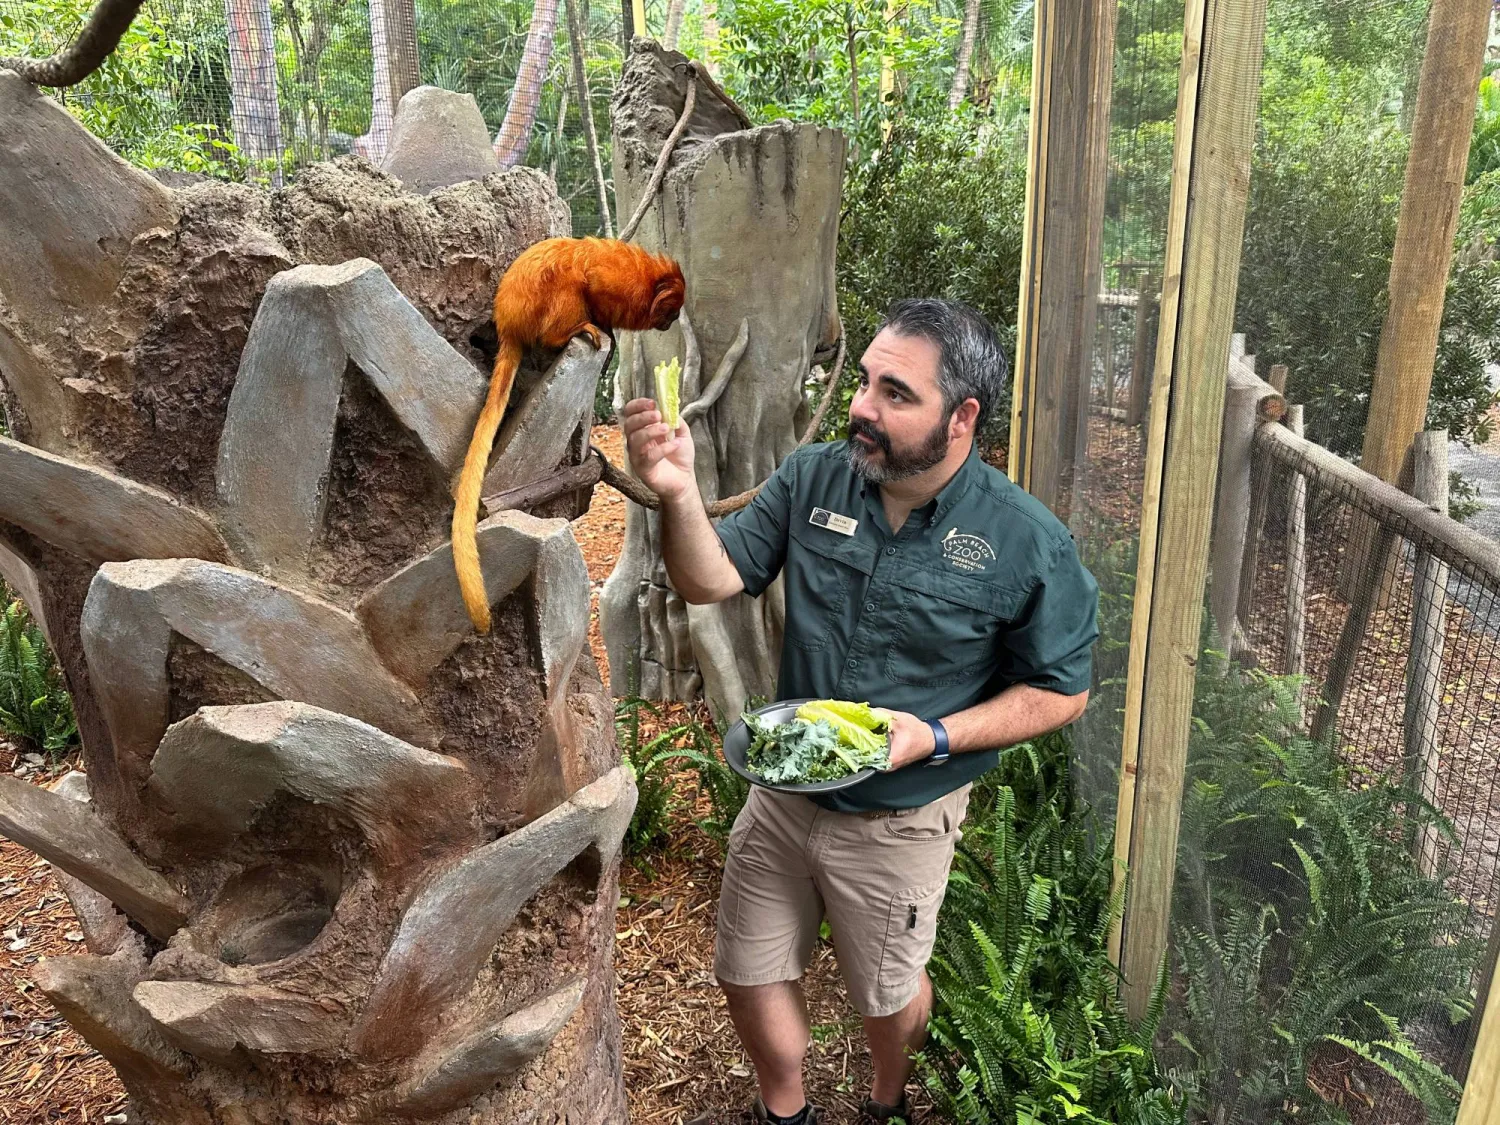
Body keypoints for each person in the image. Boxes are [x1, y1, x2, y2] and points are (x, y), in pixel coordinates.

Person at [621, 298, 1099, 1124]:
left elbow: (1064, 689)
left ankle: (886, 1099)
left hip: (901, 818)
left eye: (895, 393)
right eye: (866, 380)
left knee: (888, 995)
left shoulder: (1028, 542)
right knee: (747, 968)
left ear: (962, 417)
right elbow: (711, 578)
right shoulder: (815, 476)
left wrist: (936, 736)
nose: (862, 406)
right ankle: (787, 1109)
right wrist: (677, 493)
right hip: (785, 788)